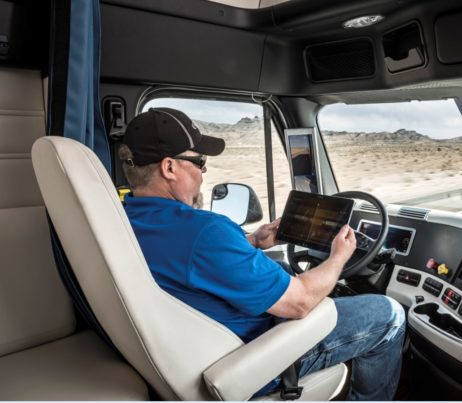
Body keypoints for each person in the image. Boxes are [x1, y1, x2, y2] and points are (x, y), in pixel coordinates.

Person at [120, 107, 406, 400]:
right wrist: (339, 257)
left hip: (193, 351)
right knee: (388, 315)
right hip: (256, 356)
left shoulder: (122, 219)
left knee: (281, 264)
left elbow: (185, 259)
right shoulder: (205, 231)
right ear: (169, 168)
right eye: (199, 163)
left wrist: (252, 241)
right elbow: (301, 302)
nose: (203, 174)